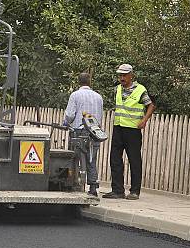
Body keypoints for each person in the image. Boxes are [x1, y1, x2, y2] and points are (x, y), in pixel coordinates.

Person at [103, 64, 155, 200]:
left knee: (134, 160)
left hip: (133, 130)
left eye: (124, 75)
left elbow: (150, 105)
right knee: (115, 159)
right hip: (118, 127)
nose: (122, 78)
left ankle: (134, 191)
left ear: (131, 75)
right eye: (120, 75)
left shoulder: (140, 89)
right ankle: (118, 190)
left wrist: (144, 120)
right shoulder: (118, 89)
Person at [63, 73, 104, 196]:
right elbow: (100, 116)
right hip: (94, 132)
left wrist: (66, 122)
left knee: (75, 158)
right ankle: (92, 188)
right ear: (90, 81)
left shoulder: (75, 95)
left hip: (78, 131)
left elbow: (70, 114)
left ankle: (75, 185)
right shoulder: (98, 97)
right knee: (92, 159)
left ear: (78, 82)